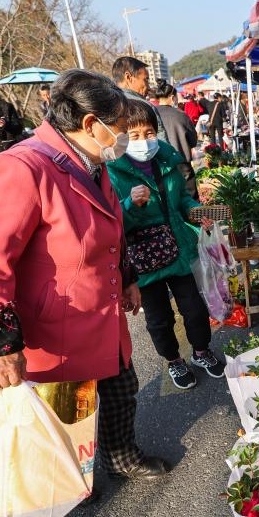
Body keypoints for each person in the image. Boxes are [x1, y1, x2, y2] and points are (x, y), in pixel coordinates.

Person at [0, 68, 170, 480]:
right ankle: (73, 479)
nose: (126, 138)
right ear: (91, 124)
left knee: (121, 389)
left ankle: (121, 456)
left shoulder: (91, 161)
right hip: (57, 325)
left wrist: (126, 277)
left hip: (101, 311)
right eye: (123, 128)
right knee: (69, 413)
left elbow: (109, 227)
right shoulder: (22, 168)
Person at [106, 98, 224, 390]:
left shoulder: (167, 159)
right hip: (143, 260)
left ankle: (200, 351)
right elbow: (112, 221)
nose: (144, 141)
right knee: (159, 319)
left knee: (195, 309)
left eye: (148, 133)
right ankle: (173, 360)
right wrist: (129, 203)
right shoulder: (111, 171)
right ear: (121, 136)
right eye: (134, 136)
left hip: (179, 250)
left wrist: (196, 213)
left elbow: (181, 199)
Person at [152, 79, 198, 197]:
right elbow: (193, 140)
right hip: (182, 162)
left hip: (159, 163)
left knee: (169, 198)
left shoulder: (150, 114)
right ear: (173, 98)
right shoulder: (181, 115)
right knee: (190, 199)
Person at [111, 56, 167, 143]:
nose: (148, 87)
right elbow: (162, 143)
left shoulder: (106, 106)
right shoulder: (144, 106)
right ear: (128, 77)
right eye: (146, 80)